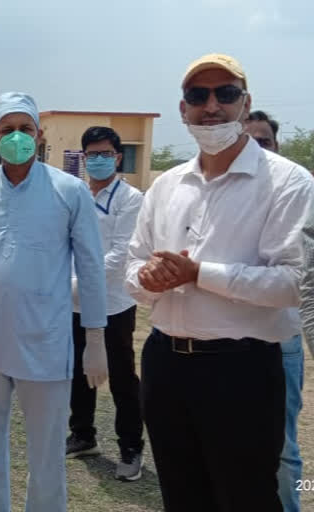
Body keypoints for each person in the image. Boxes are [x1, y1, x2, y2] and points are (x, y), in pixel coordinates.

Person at [125, 54, 313, 511]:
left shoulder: (288, 183)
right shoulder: (168, 185)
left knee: (245, 496)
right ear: (182, 109)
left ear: (245, 105)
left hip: (242, 370)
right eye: (198, 96)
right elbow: (132, 271)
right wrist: (151, 279)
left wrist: (199, 274)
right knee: (181, 494)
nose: (211, 106)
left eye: (225, 94)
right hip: (166, 362)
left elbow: (293, 284)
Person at [0, 92, 108, 512]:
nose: (18, 137)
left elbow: (90, 267)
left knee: (47, 457)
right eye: (8, 130)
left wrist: (96, 338)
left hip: (44, 343)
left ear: (40, 134)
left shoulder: (69, 191)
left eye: (25, 129)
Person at [67, 126, 145, 481]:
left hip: (114, 303)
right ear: (83, 159)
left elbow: (122, 252)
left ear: (118, 156)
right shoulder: (76, 194)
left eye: (105, 154)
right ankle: (83, 435)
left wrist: (79, 281)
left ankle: (130, 447)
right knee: (78, 371)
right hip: (73, 301)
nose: (98, 160)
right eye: (91, 155)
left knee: (121, 378)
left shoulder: (131, 199)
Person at [245, 110, 307, 512]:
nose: (255, 150)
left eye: (263, 141)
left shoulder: (296, 188)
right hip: (230, 342)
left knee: (282, 446)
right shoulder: (223, 194)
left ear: (276, 146)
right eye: (246, 141)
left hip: (280, 339)